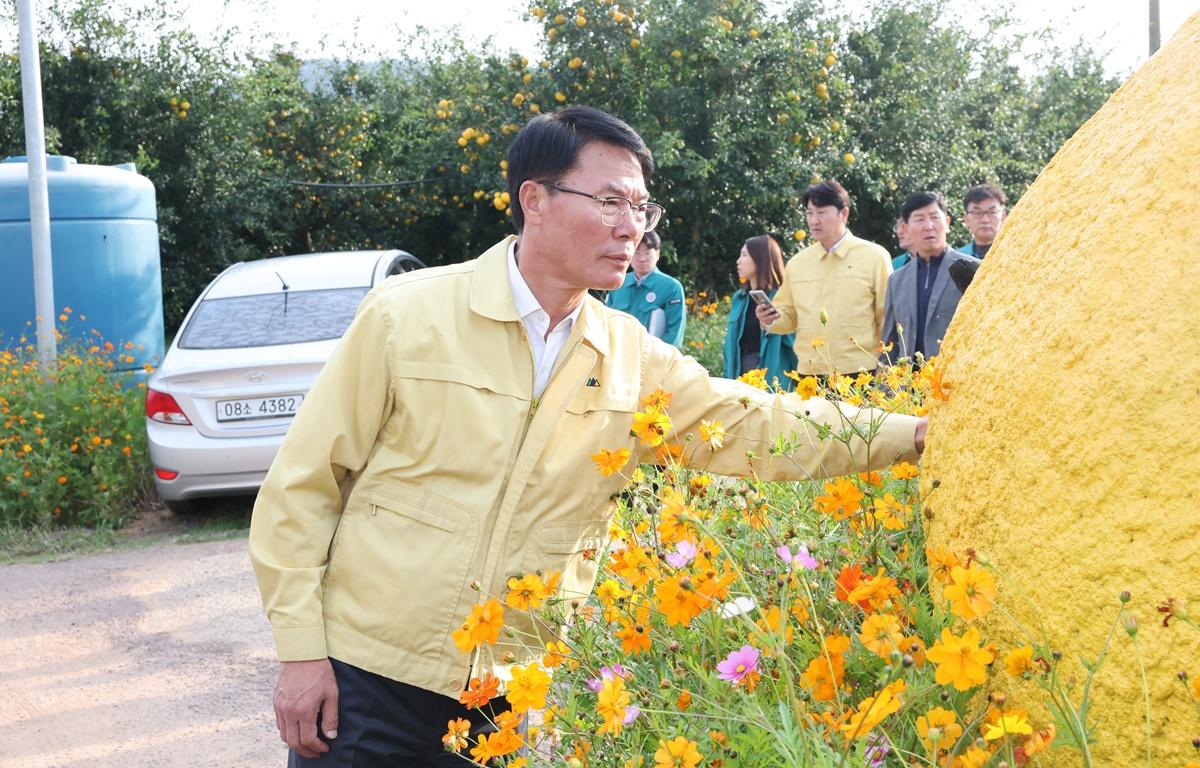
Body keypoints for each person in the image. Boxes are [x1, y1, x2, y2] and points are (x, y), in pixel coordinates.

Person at [249, 106, 927, 767]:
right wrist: (302, 652)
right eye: (609, 202)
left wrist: (914, 434)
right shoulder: (408, 316)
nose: (629, 226)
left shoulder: (628, 352)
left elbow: (757, 421)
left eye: (641, 209)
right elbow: (304, 486)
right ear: (534, 199)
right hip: (370, 675)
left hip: (507, 692)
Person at [758, 179, 892, 378]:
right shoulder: (798, 263)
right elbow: (788, 316)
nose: (814, 220)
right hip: (810, 374)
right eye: (810, 213)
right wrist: (768, 318)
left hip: (862, 373)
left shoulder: (874, 256)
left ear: (843, 213)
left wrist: (889, 368)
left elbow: (887, 316)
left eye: (821, 213)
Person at [880, 191, 981, 363]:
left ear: (947, 223)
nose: (929, 226)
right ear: (905, 229)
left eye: (935, 217)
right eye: (919, 219)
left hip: (955, 380)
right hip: (912, 385)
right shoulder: (897, 280)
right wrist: (883, 387)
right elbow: (890, 344)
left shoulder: (974, 269)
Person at [721, 234, 797, 389]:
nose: (738, 261)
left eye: (744, 255)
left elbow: (794, 346)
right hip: (739, 374)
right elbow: (730, 344)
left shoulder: (782, 298)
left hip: (773, 379)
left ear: (760, 258)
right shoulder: (739, 298)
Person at [604, 229, 686, 346]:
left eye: (647, 253)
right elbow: (606, 321)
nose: (642, 259)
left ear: (657, 254)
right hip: (618, 354)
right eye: (636, 253)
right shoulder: (618, 281)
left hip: (651, 359)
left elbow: (674, 333)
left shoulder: (671, 287)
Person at [959, 183, 1007, 259]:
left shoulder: (1015, 253)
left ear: (1003, 217)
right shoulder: (958, 258)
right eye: (977, 213)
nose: (985, 220)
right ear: (966, 219)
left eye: (992, 212)